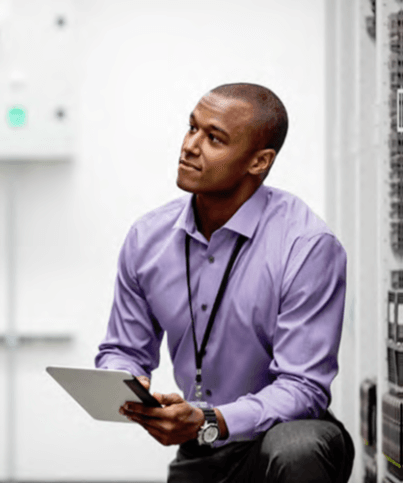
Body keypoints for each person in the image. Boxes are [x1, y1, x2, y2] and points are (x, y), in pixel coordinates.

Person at [94, 83, 355, 483]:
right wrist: (130, 384)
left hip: (282, 442)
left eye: (214, 138)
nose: (190, 146)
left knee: (299, 445)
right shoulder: (148, 238)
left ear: (259, 162)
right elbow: (123, 349)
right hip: (202, 448)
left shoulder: (306, 246)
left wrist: (210, 419)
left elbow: (304, 389)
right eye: (192, 128)